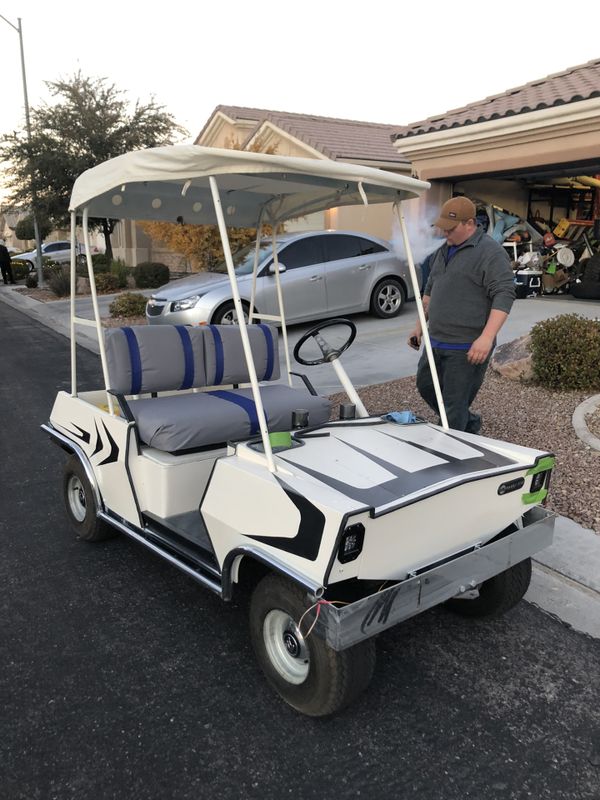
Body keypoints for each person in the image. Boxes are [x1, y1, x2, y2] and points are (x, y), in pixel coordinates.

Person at [407, 196, 515, 434]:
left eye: (450, 228)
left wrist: (486, 338)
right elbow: (430, 291)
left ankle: (451, 456)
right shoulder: (443, 251)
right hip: (435, 339)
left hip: (466, 346)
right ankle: (468, 422)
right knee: (426, 386)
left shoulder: (490, 253)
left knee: (454, 408)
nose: (445, 233)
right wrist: (419, 326)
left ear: (470, 223)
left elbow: (504, 295)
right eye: (443, 228)